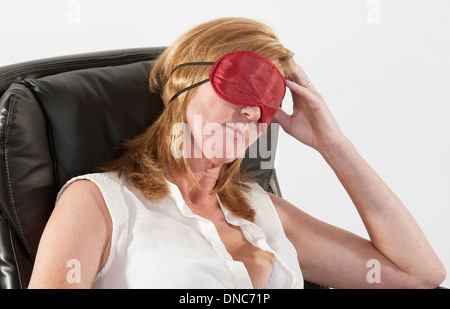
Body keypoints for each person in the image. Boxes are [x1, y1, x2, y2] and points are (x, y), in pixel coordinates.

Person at [28, 17, 446, 289]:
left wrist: (333, 145)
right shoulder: (100, 202)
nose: (252, 110)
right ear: (184, 83)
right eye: (243, 87)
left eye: (268, 100)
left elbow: (420, 278)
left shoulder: (262, 210)